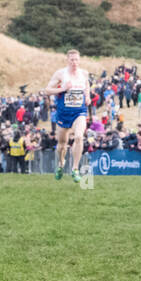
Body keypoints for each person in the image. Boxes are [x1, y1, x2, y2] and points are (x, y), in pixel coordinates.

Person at [44, 50, 91, 182]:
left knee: (79, 137)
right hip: (63, 113)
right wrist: (63, 88)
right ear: (67, 61)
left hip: (79, 111)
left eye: (76, 60)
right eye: (72, 60)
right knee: (62, 145)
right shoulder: (60, 74)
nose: (74, 62)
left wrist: (87, 96)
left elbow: (87, 85)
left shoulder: (84, 73)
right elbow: (47, 90)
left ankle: (75, 169)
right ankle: (60, 164)